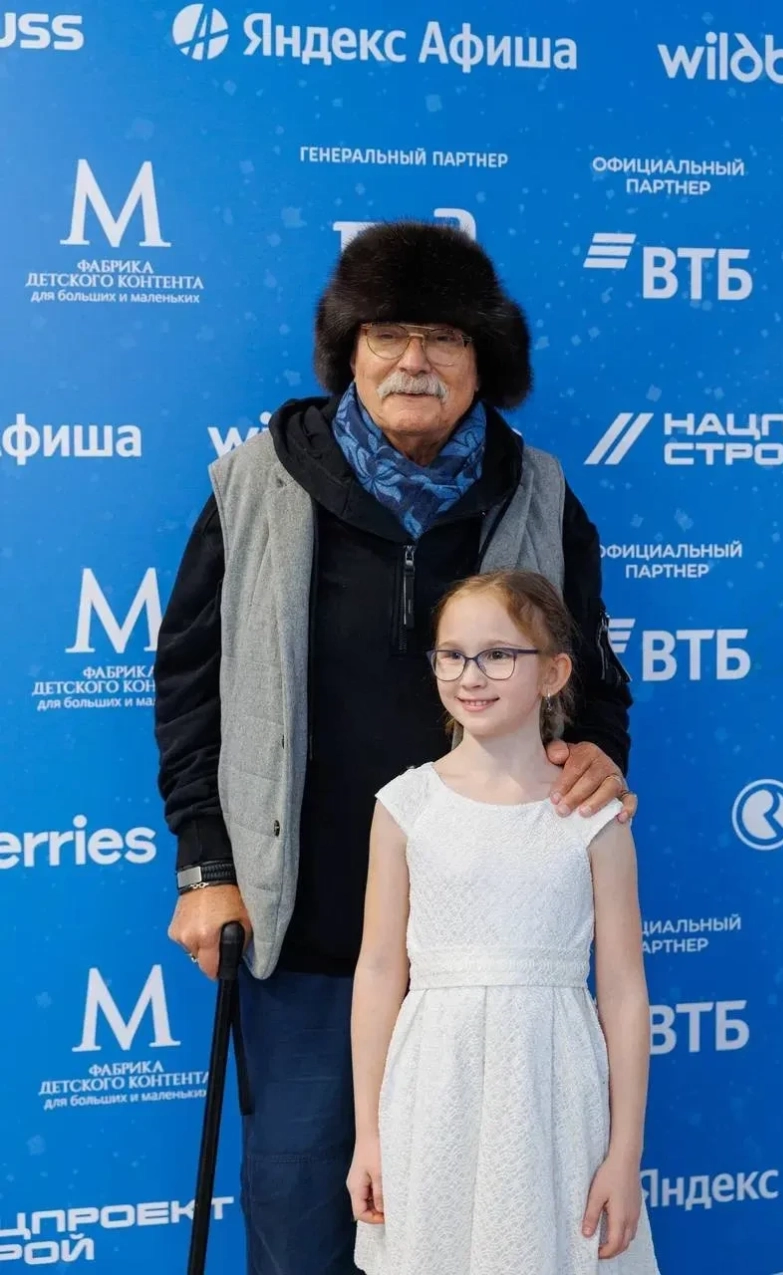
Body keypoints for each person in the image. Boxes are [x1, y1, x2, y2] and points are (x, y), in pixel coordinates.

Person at [154, 220, 634, 1275]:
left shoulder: (539, 490)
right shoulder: (256, 482)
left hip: (484, 955)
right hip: (311, 935)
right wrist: (205, 864)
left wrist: (601, 754)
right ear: (349, 351)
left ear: (483, 361)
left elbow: (593, 678)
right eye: (386, 334)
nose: (414, 359)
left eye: (443, 337)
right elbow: (188, 683)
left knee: (478, 1230)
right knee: (301, 1213)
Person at [348, 570, 658, 1275]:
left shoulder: (596, 818)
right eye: (452, 654)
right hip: (433, 1092)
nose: (470, 675)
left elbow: (623, 991)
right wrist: (369, 1134)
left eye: (498, 654)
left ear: (554, 673)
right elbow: (379, 969)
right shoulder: (405, 806)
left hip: (555, 1097)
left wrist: (625, 1154)